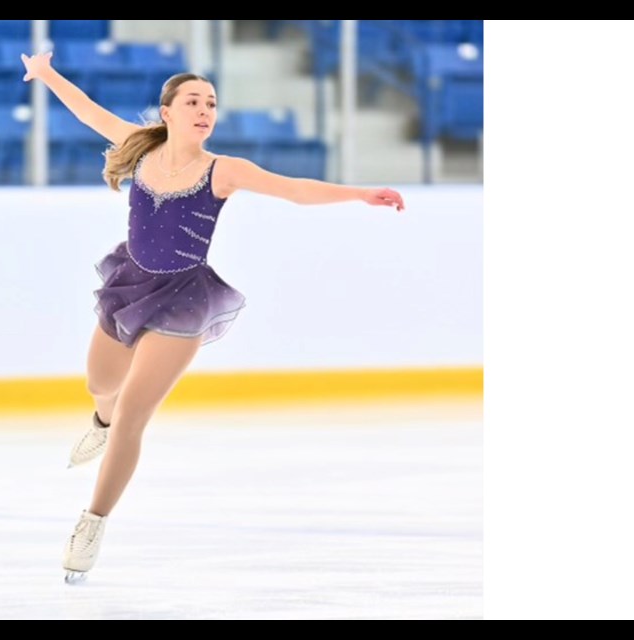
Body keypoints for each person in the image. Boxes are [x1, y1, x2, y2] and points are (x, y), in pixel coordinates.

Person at [20, 50, 405, 583]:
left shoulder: (224, 171)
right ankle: (100, 424)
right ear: (167, 112)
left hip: (184, 299)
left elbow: (294, 191)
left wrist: (360, 194)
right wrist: (44, 73)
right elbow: (88, 112)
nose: (205, 110)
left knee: (135, 413)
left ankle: (93, 521)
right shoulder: (140, 151)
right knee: (101, 384)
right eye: (193, 101)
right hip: (131, 281)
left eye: (212, 103)